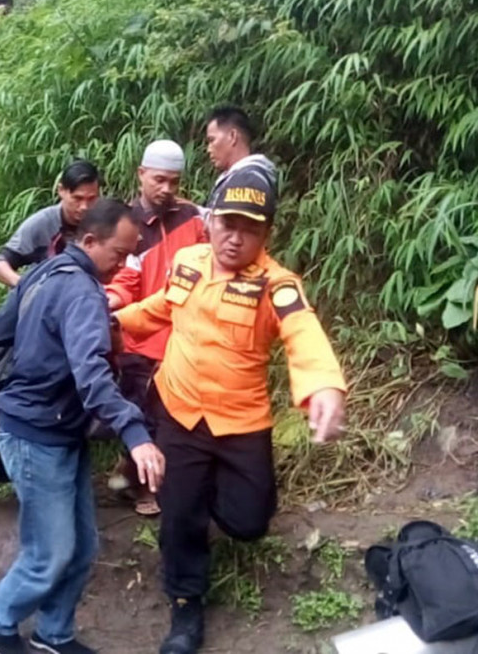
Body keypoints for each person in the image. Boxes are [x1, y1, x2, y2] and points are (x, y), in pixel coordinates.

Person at [115, 167, 347, 654]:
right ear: (211, 220)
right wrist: (112, 322)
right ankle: (185, 605)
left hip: (240, 421)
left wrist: (324, 386)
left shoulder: (276, 284)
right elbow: (161, 308)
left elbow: (301, 328)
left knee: (249, 522)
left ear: (267, 232)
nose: (235, 237)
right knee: (178, 517)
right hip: (178, 408)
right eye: (228, 223)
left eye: (251, 228)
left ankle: (205, 495)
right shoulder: (189, 261)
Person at [0, 199, 164, 654]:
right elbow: (92, 375)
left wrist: (43, 347)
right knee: (50, 553)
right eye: (118, 255)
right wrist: (136, 435)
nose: (121, 265)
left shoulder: (45, 271)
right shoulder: (81, 290)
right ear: (89, 241)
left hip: (60, 430)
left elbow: (0, 330)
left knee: (81, 547)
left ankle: (53, 633)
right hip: (35, 435)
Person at [103, 140, 206, 515]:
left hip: (182, 339)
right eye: (160, 180)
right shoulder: (126, 225)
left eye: (174, 182)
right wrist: (109, 301)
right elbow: (124, 279)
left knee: (170, 416)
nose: (167, 189)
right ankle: (142, 486)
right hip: (137, 338)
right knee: (142, 415)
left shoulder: (194, 217)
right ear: (141, 174)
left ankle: (130, 477)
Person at [0, 160, 100, 287]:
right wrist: (24, 285)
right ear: (61, 190)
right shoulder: (42, 223)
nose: (84, 207)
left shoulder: (104, 223)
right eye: (77, 198)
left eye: (91, 199)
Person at [204, 105, 276, 210]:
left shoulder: (248, 181)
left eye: (212, 140)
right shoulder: (241, 177)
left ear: (232, 136)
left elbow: (231, 225)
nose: (208, 149)